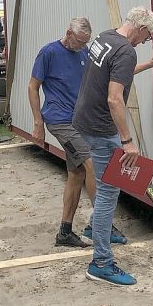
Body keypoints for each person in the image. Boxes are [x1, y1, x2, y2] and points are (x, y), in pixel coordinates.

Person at [74, 6, 153, 286]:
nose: (145, 41)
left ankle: (95, 230)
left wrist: (150, 64)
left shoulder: (105, 38)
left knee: (107, 186)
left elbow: (117, 75)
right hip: (102, 129)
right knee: (108, 193)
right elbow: (115, 98)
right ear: (140, 28)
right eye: (147, 36)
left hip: (84, 120)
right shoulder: (126, 50)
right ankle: (101, 262)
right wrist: (127, 141)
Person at [27, 17, 101, 248]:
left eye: (85, 42)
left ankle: (65, 232)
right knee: (91, 163)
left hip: (79, 121)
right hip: (59, 120)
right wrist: (38, 122)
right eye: (79, 41)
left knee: (76, 174)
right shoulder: (49, 52)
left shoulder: (83, 52)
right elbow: (32, 86)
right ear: (68, 33)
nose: (81, 46)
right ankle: (103, 224)